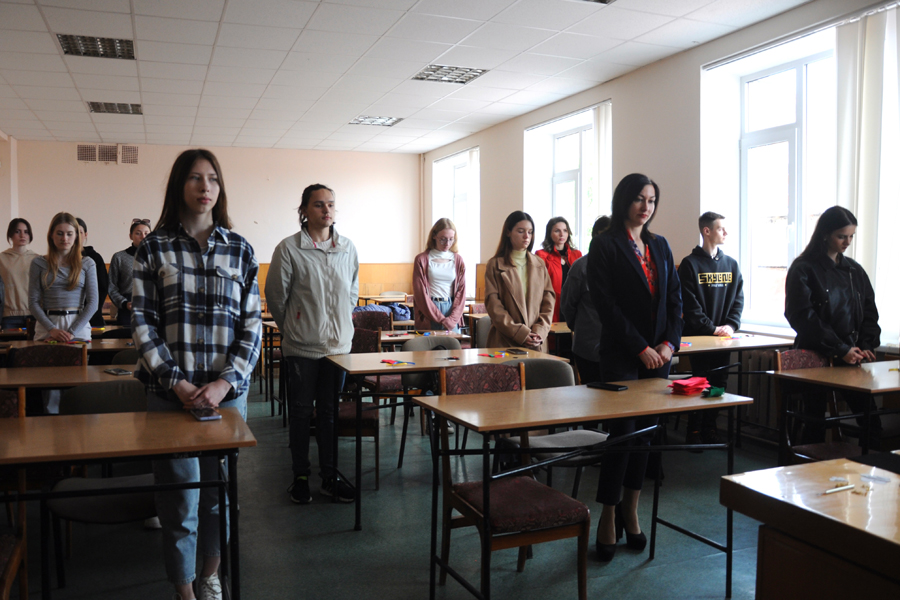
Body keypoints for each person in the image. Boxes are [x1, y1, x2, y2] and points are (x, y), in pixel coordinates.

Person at [132, 149, 261, 600]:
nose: (205, 187)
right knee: (179, 499)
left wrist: (225, 382)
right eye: (194, 178)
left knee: (218, 497)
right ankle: (184, 589)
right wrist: (178, 382)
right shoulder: (153, 248)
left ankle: (210, 574)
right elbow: (142, 323)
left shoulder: (240, 249)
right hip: (171, 396)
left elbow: (252, 325)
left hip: (226, 398)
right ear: (178, 186)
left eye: (212, 179)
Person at [587, 173, 682, 562]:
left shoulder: (659, 245)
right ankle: (608, 513)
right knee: (622, 435)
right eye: (640, 198)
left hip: (658, 356)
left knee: (646, 435)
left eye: (652, 200)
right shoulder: (605, 244)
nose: (646, 206)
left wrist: (669, 343)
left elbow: (675, 299)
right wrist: (640, 347)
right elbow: (606, 305)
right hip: (623, 355)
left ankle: (632, 508)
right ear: (624, 200)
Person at [266, 183, 357, 506]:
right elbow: (276, 296)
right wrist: (294, 327)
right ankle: (301, 477)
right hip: (303, 348)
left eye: (330, 204)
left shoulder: (347, 248)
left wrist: (340, 324)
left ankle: (330, 477)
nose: (326, 210)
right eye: (319, 204)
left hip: (338, 349)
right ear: (304, 210)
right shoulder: (289, 249)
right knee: (302, 413)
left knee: (330, 413)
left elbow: (352, 292)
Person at [784, 205, 881, 447]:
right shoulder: (803, 268)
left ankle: (871, 469)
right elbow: (801, 316)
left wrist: (866, 345)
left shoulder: (854, 270)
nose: (847, 242)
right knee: (815, 424)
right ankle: (808, 470)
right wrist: (840, 348)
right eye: (841, 236)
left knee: (872, 422)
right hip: (814, 357)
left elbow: (869, 312)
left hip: (850, 357)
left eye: (851, 236)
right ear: (825, 234)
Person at [678, 211, 744, 445]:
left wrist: (731, 326)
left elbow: (738, 300)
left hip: (723, 338)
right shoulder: (690, 264)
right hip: (699, 338)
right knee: (699, 382)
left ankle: (710, 426)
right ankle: (694, 429)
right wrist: (711, 328)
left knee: (719, 383)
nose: (726, 232)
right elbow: (689, 304)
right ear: (706, 231)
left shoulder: (731, 265)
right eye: (720, 228)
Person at [28, 212, 98, 413]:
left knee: (77, 379)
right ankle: (51, 422)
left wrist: (71, 331)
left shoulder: (87, 263)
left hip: (78, 325)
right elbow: (33, 302)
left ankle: (77, 422)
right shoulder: (39, 263)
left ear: (77, 236)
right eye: (59, 233)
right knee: (50, 384)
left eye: (69, 233)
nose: (64, 238)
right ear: (51, 235)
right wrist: (52, 329)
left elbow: (93, 303)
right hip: (48, 325)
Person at [484, 211, 554, 352]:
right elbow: (494, 305)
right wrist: (519, 333)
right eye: (521, 231)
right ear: (508, 232)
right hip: (505, 339)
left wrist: (539, 332)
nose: (526, 236)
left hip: (535, 341)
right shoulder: (495, 264)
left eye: (530, 232)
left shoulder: (539, 264)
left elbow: (548, 302)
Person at [561, 216, 609, 385]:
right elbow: (568, 305)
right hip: (588, 346)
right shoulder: (581, 267)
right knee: (591, 393)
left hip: (618, 349)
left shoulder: (624, 265)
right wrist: (578, 327)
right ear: (595, 237)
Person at [412, 218, 466, 331]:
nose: (447, 243)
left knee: (453, 342)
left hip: (451, 309)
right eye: (443, 239)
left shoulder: (458, 260)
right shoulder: (421, 259)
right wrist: (441, 319)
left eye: (451, 239)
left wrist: (452, 319)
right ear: (434, 236)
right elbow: (420, 294)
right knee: (430, 342)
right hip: (429, 309)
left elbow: (461, 292)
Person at [536, 216, 582, 323]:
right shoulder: (541, 255)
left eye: (565, 231)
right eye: (557, 231)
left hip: (572, 304)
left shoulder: (577, 254)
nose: (562, 234)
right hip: (551, 305)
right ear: (549, 233)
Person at [108, 219, 151, 327]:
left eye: (146, 233)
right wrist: (124, 303)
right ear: (130, 236)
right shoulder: (119, 257)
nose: (143, 237)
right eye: (138, 233)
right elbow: (111, 286)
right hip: (127, 308)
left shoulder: (157, 257)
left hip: (151, 307)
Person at [0, 218, 39, 330]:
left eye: (26, 232)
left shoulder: (37, 259)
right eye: (17, 231)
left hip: (34, 315)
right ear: (10, 234)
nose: (22, 235)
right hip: (9, 316)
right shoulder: (2, 258)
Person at [75, 217, 108, 329]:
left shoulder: (94, 258)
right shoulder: (61, 258)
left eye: (79, 232)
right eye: (73, 232)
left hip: (92, 316)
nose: (76, 236)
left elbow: (102, 288)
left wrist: (91, 311)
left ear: (85, 234)